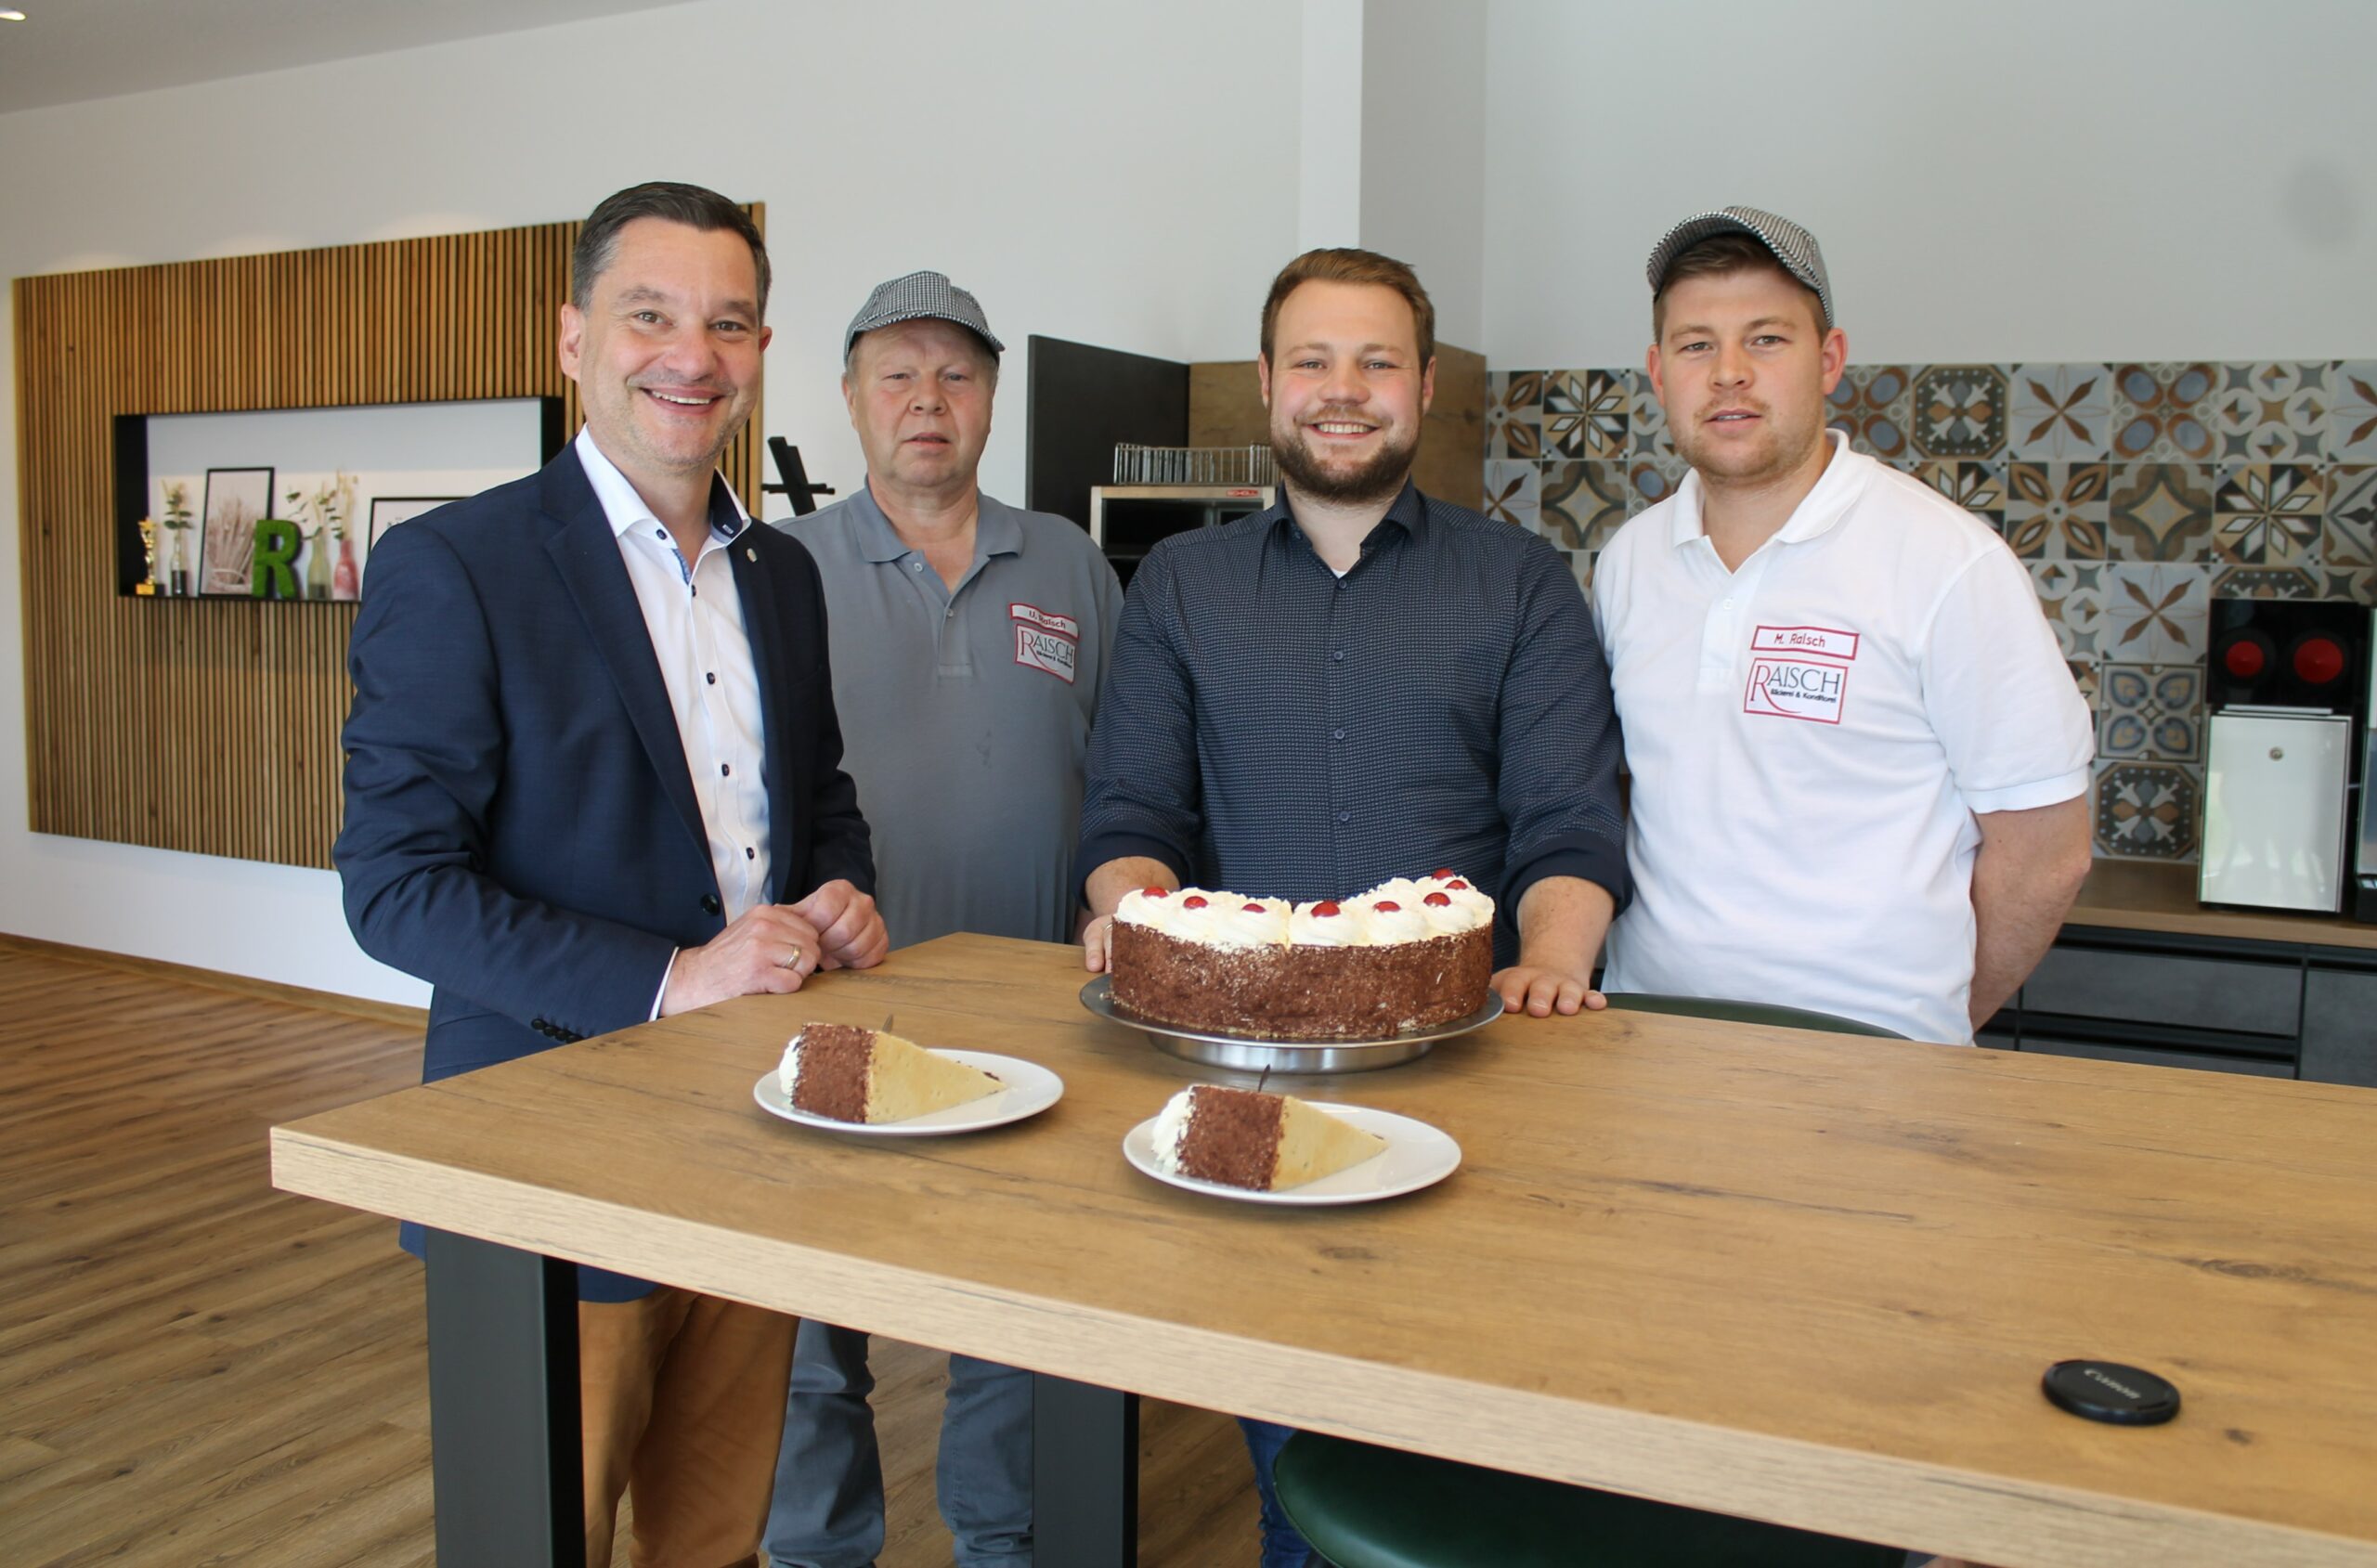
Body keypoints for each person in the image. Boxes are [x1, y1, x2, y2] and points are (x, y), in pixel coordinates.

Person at [335, 180, 887, 1568]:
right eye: (651, 314)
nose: (690, 355)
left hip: (758, 1139)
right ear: (572, 338)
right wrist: (674, 978)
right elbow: (393, 886)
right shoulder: (452, 566)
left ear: (760, 353)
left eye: (729, 323)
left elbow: (813, 801)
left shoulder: (781, 575)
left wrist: (840, 895)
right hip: (546, 1157)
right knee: (543, 1537)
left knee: (714, 1538)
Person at [1077, 247, 1630, 1567]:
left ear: (1425, 386)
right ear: (1267, 385)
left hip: (1474, 1080)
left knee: (1472, 1458)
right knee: (1305, 1474)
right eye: (1313, 361)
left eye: (1377, 361)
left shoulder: (1520, 584)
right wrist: (1134, 916)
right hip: (1249, 1079)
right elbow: (1130, 823)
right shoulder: (1183, 588)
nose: (1344, 390)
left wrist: (1550, 961)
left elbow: (1569, 824)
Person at [762, 272, 1123, 1568]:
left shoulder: (1071, 562)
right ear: (851, 399)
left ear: (990, 400)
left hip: (1033, 1014)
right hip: (834, 1009)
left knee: (1017, 1310)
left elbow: (1129, 774)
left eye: (957, 376)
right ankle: (816, 1547)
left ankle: (1005, 1538)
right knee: (809, 1314)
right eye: (898, 376)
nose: (928, 401)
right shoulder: (778, 569)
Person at [1591, 205, 2095, 1048]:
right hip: (1650, 1044)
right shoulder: (1629, 562)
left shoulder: (1947, 562)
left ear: (1829, 360)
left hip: (1870, 1061)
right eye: (1695, 344)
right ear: (1657, 369)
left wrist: (1928, 1026)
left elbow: (2049, 850)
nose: (1728, 374)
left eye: (1766, 339)